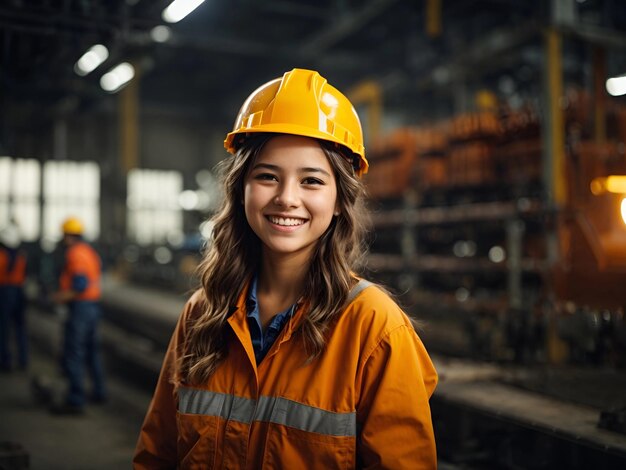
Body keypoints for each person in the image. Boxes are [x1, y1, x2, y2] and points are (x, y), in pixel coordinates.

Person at [134, 68, 438, 468]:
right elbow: (157, 455)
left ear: (339, 199)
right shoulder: (201, 315)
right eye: (267, 176)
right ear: (240, 189)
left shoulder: (374, 327)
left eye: (311, 181)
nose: (286, 198)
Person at [51, 217, 106, 414]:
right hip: (92, 306)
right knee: (91, 351)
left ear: (67, 235)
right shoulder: (90, 251)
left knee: (74, 352)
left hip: (80, 308)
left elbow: (80, 285)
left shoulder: (75, 253)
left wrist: (60, 297)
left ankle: (76, 399)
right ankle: (99, 392)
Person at [0, 224, 28, 371]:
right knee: (20, 328)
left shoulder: (2, 256)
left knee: (3, 329)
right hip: (18, 292)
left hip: (5, 292)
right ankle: (23, 360)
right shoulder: (21, 256)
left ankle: (5, 361)